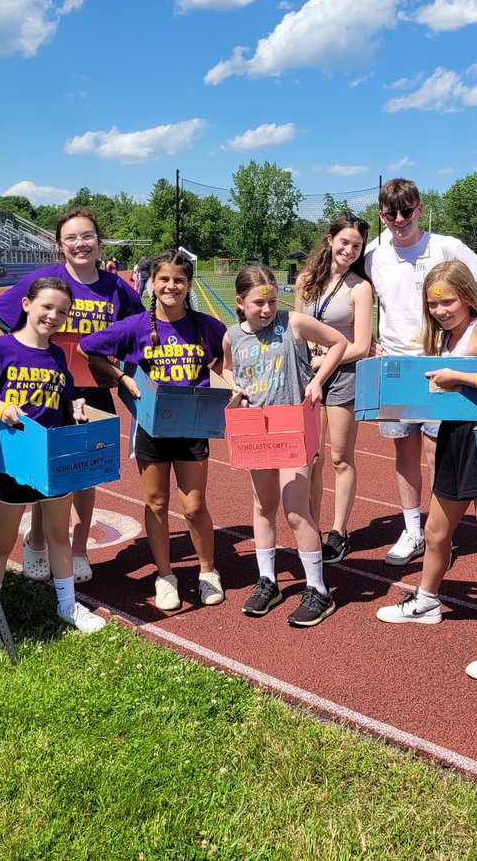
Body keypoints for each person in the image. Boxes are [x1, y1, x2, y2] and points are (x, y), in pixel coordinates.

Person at [375, 262, 477, 681]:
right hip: (453, 439)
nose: (442, 310)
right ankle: (428, 601)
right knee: (435, 533)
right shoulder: (443, 336)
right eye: (434, 304)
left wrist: (457, 375)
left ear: (467, 295)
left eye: (448, 301)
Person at [0, 207, 143, 584]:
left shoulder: (117, 287)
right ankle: (36, 541)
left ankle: (79, 549)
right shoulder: (44, 279)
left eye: (86, 236)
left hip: (92, 394)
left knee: (84, 475)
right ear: (60, 245)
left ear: (99, 241)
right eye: (70, 238)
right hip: (44, 393)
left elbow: (138, 330)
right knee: (41, 470)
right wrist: (20, 354)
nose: (80, 244)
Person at [0, 277, 107, 648]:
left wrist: (76, 405)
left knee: (58, 535)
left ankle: (67, 605)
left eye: (62, 312)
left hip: (52, 459)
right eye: (47, 307)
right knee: (2, 543)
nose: (53, 316)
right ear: (26, 304)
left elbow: (62, 398)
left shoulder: (56, 356)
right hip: (12, 461)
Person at [364, 178, 477, 566]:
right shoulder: (373, 254)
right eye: (390, 213)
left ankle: (437, 530)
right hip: (395, 364)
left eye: (406, 211)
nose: (399, 219)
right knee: (403, 450)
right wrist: (365, 339)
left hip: (441, 362)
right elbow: (354, 296)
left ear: (420, 209)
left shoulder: (446, 246)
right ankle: (413, 530)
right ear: (381, 215)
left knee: (435, 450)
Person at [80, 251, 227, 611]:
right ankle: (165, 576)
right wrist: (122, 376)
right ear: (151, 284)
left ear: (188, 284)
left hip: (192, 427)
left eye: (178, 280)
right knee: (156, 502)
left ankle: (207, 572)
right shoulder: (134, 326)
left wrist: (216, 382)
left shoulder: (208, 326)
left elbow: (224, 356)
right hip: (151, 427)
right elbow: (89, 347)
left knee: (194, 506)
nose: (171, 286)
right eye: (163, 279)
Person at [222, 265, 348, 627]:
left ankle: (318, 589)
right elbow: (228, 368)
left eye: (272, 300)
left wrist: (318, 379)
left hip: (293, 428)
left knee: (295, 509)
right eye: (258, 303)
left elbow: (339, 342)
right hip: (256, 432)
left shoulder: (293, 323)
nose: (266, 309)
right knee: (263, 506)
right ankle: (268, 581)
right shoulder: (233, 336)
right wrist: (234, 387)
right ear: (241, 303)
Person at [294, 213, 373, 563]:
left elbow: (362, 346)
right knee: (312, 456)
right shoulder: (306, 281)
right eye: (344, 241)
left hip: (343, 376)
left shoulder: (361, 288)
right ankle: (311, 526)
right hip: (308, 377)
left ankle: (339, 532)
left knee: (341, 457)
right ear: (329, 239)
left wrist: (324, 361)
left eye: (357, 245)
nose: (350, 249)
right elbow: (296, 329)